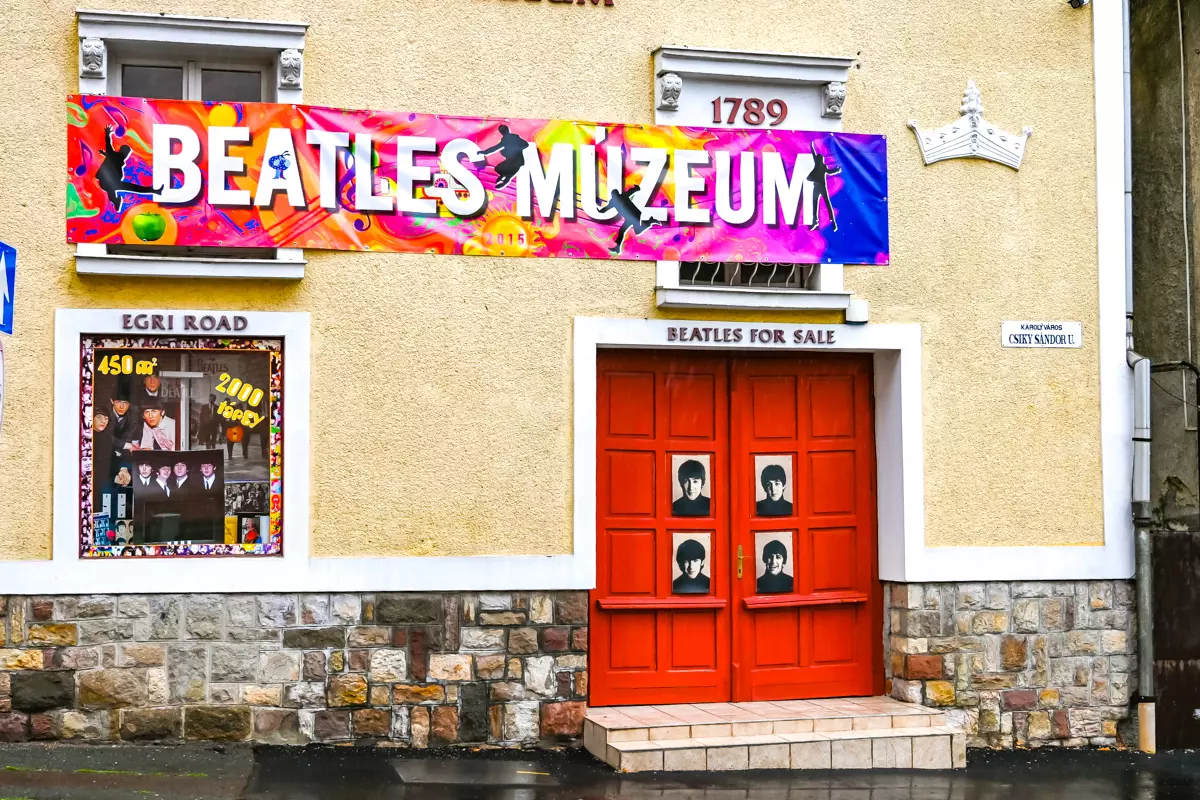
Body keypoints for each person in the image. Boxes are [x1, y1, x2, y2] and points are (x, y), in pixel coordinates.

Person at [96, 125, 155, 210]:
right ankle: (116, 201)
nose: (127, 155)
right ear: (123, 152)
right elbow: (109, 146)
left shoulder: (117, 157)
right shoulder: (116, 156)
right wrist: (107, 134)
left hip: (108, 183)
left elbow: (111, 155)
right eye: (127, 153)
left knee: (116, 190)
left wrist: (105, 153)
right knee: (131, 188)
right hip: (108, 182)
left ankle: (116, 201)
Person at [598, 187, 656, 254]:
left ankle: (650, 221)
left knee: (637, 231)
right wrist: (599, 210)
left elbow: (631, 191)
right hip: (630, 218)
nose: (616, 197)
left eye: (616, 194)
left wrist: (636, 188)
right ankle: (617, 248)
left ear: (617, 194)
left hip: (635, 216)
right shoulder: (614, 201)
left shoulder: (621, 196)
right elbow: (606, 209)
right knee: (622, 231)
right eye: (614, 195)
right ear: (613, 196)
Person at [478, 125, 532, 190]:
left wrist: (516, 148)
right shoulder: (505, 140)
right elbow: (495, 148)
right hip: (510, 160)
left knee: (510, 173)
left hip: (517, 160)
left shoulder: (514, 138)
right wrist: (484, 152)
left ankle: (504, 180)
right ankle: (503, 176)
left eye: (504, 130)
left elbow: (525, 144)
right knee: (499, 168)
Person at [806, 141, 842, 232]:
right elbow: (814, 153)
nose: (819, 160)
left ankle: (832, 221)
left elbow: (830, 172)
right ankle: (815, 221)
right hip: (818, 187)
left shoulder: (822, 166)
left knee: (826, 204)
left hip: (821, 187)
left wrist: (836, 170)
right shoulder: (819, 165)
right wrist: (811, 144)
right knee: (816, 204)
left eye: (819, 159)